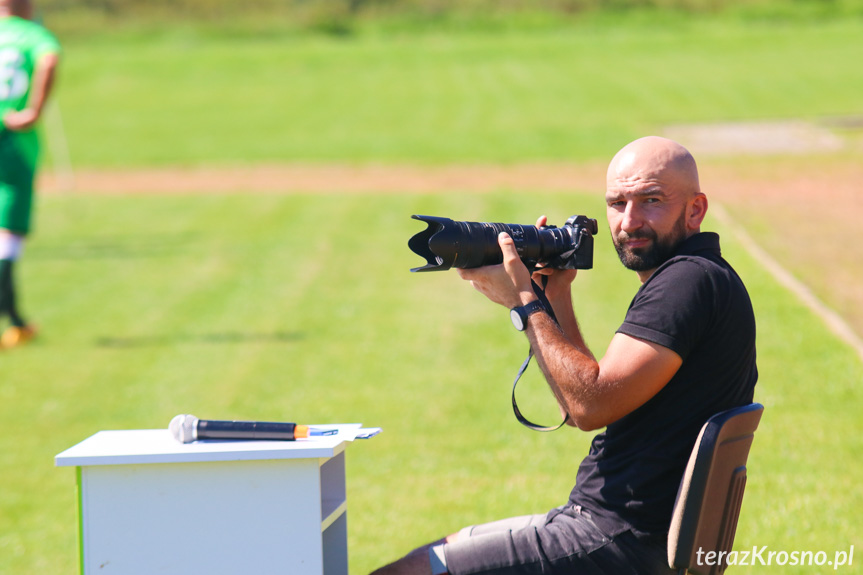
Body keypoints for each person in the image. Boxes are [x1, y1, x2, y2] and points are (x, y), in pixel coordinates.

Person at [371, 136, 758, 575]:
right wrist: (555, 298)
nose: (630, 220)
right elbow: (579, 405)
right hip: (610, 528)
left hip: (617, 538)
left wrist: (524, 303)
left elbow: (591, 406)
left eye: (651, 200)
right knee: (444, 549)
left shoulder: (686, 282)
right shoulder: (701, 276)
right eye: (617, 203)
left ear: (695, 209)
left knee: (404, 574)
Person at [0, 0, 60, 348]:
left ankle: (17, 318)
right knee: (9, 233)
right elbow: (49, 58)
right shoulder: (32, 34)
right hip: (11, 137)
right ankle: (13, 317)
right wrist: (35, 109)